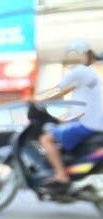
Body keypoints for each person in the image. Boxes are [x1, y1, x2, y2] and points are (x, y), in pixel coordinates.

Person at [38, 40, 103, 190]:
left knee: (46, 139)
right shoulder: (90, 77)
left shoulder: (81, 72)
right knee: (59, 131)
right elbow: (79, 108)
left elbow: (58, 90)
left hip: (89, 125)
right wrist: (63, 120)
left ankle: (61, 175)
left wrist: (37, 100)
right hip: (93, 123)